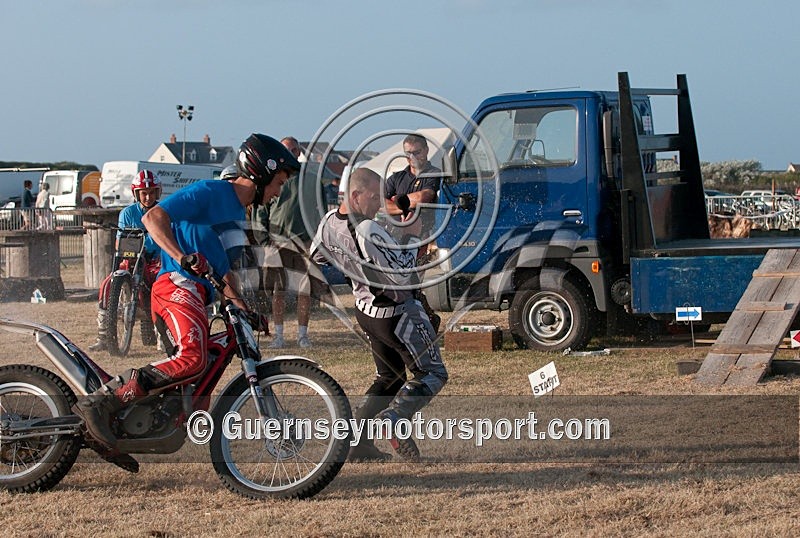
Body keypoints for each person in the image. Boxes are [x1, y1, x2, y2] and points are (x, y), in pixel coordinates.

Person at [73, 133, 299, 470]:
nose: (279, 192)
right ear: (261, 172)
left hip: (196, 295)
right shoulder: (212, 192)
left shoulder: (239, 215)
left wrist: (244, 309)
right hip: (175, 285)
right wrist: (181, 256)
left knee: (199, 386)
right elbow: (152, 219)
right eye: (279, 183)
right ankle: (102, 403)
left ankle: (132, 425)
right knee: (193, 359)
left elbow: (224, 274)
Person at [311, 167, 448, 461]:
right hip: (396, 314)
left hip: (365, 311)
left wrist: (358, 262)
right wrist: (411, 237)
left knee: (389, 378)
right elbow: (402, 274)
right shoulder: (367, 229)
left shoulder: (328, 222)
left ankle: (358, 443)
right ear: (355, 195)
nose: (379, 205)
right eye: (374, 198)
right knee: (432, 373)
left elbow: (317, 257)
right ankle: (395, 419)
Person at [88, 171, 163, 352]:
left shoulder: (163, 211)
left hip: (156, 260)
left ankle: (164, 334)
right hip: (132, 258)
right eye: (144, 193)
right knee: (107, 284)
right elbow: (120, 240)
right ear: (136, 194)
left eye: (151, 192)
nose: (148, 197)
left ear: (157, 193)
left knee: (163, 285)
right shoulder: (127, 213)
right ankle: (104, 335)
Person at [383, 133, 442, 331]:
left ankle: (427, 321)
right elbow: (380, 203)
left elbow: (425, 197)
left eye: (417, 152)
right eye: (408, 153)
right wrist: (405, 205)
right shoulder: (397, 177)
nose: (412, 157)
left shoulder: (434, 174)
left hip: (423, 239)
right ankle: (422, 321)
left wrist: (396, 201)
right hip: (395, 238)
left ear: (426, 151)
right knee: (398, 283)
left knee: (412, 283)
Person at [264, 136, 317, 349]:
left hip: (304, 242)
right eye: (286, 149)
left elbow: (320, 210)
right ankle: (278, 335)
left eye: (294, 150)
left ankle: (303, 335)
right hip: (277, 241)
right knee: (278, 291)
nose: (290, 153)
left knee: (304, 290)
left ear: (299, 152)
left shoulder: (311, 179)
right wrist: (264, 241)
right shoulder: (270, 178)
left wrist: (317, 241)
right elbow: (261, 209)